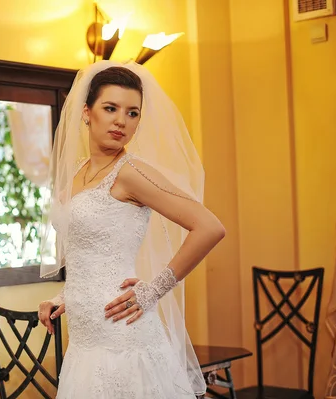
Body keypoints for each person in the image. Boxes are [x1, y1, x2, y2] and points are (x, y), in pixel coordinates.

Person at [37, 61, 225, 398]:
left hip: (123, 335)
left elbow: (209, 227)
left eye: (133, 113)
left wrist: (153, 290)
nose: (121, 121)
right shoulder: (78, 172)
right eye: (110, 108)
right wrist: (63, 297)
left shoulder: (132, 173)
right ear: (86, 112)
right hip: (83, 340)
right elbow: (89, 254)